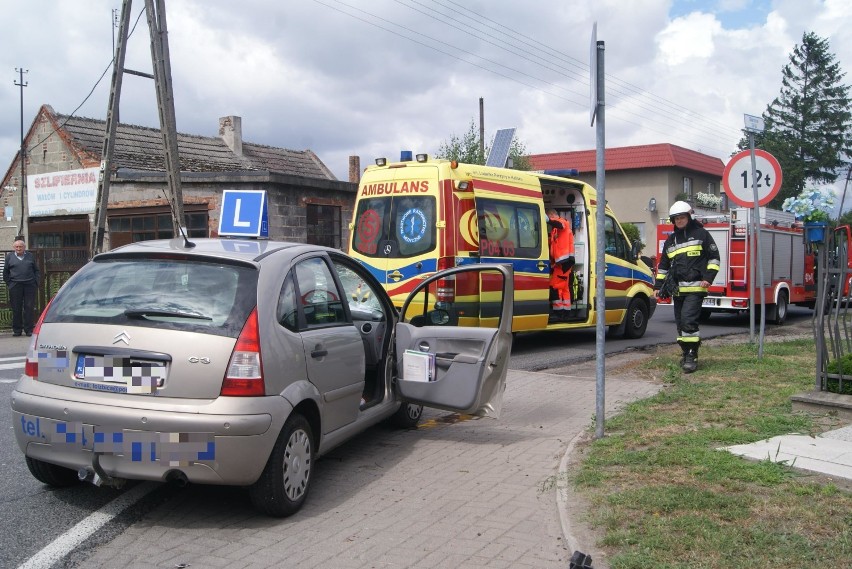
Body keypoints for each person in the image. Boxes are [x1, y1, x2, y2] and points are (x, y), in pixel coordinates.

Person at [655, 201, 720, 373]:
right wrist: (658, 285)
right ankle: (685, 353)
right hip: (678, 290)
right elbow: (663, 266)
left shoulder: (701, 235)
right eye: (676, 218)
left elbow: (714, 258)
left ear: (689, 217)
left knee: (689, 321)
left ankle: (692, 356)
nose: (679, 221)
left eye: (682, 217)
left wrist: (708, 278)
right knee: (680, 324)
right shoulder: (671, 240)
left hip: (696, 288)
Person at [3, 238, 40, 337]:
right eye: (17, 247)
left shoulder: (30, 256)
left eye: (20, 247)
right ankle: (17, 330)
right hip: (15, 286)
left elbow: (36, 270)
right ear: (14, 247)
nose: (18, 248)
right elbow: (5, 272)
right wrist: (10, 284)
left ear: (24, 247)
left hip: (29, 285)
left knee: (29, 308)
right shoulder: (9, 257)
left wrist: (35, 282)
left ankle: (29, 330)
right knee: (16, 308)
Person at [546, 208, 575, 319]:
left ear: (553, 215)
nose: (551, 220)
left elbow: (559, 224)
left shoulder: (563, 222)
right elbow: (553, 243)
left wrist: (548, 220)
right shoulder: (555, 230)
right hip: (562, 263)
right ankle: (565, 311)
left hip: (564, 262)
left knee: (555, 286)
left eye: (550, 216)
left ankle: (559, 311)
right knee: (564, 288)